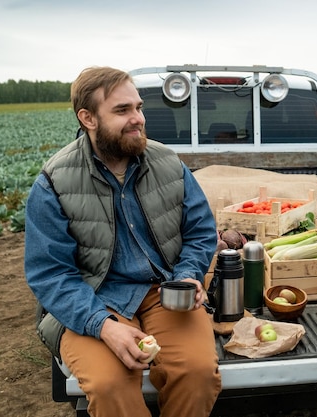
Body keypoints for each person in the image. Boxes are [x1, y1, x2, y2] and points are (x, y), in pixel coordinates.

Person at [24, 66, 221, 417]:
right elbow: (50, 273)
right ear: (88, 118)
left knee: (197, 373)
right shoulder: (53, 181)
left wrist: (189, 274)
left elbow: (201, 232)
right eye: (122, 110)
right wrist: (103, 326)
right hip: (93, 299)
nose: (138, 119)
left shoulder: (169, 164)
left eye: (138, 107)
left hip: (166, 292)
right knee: (109, 384)